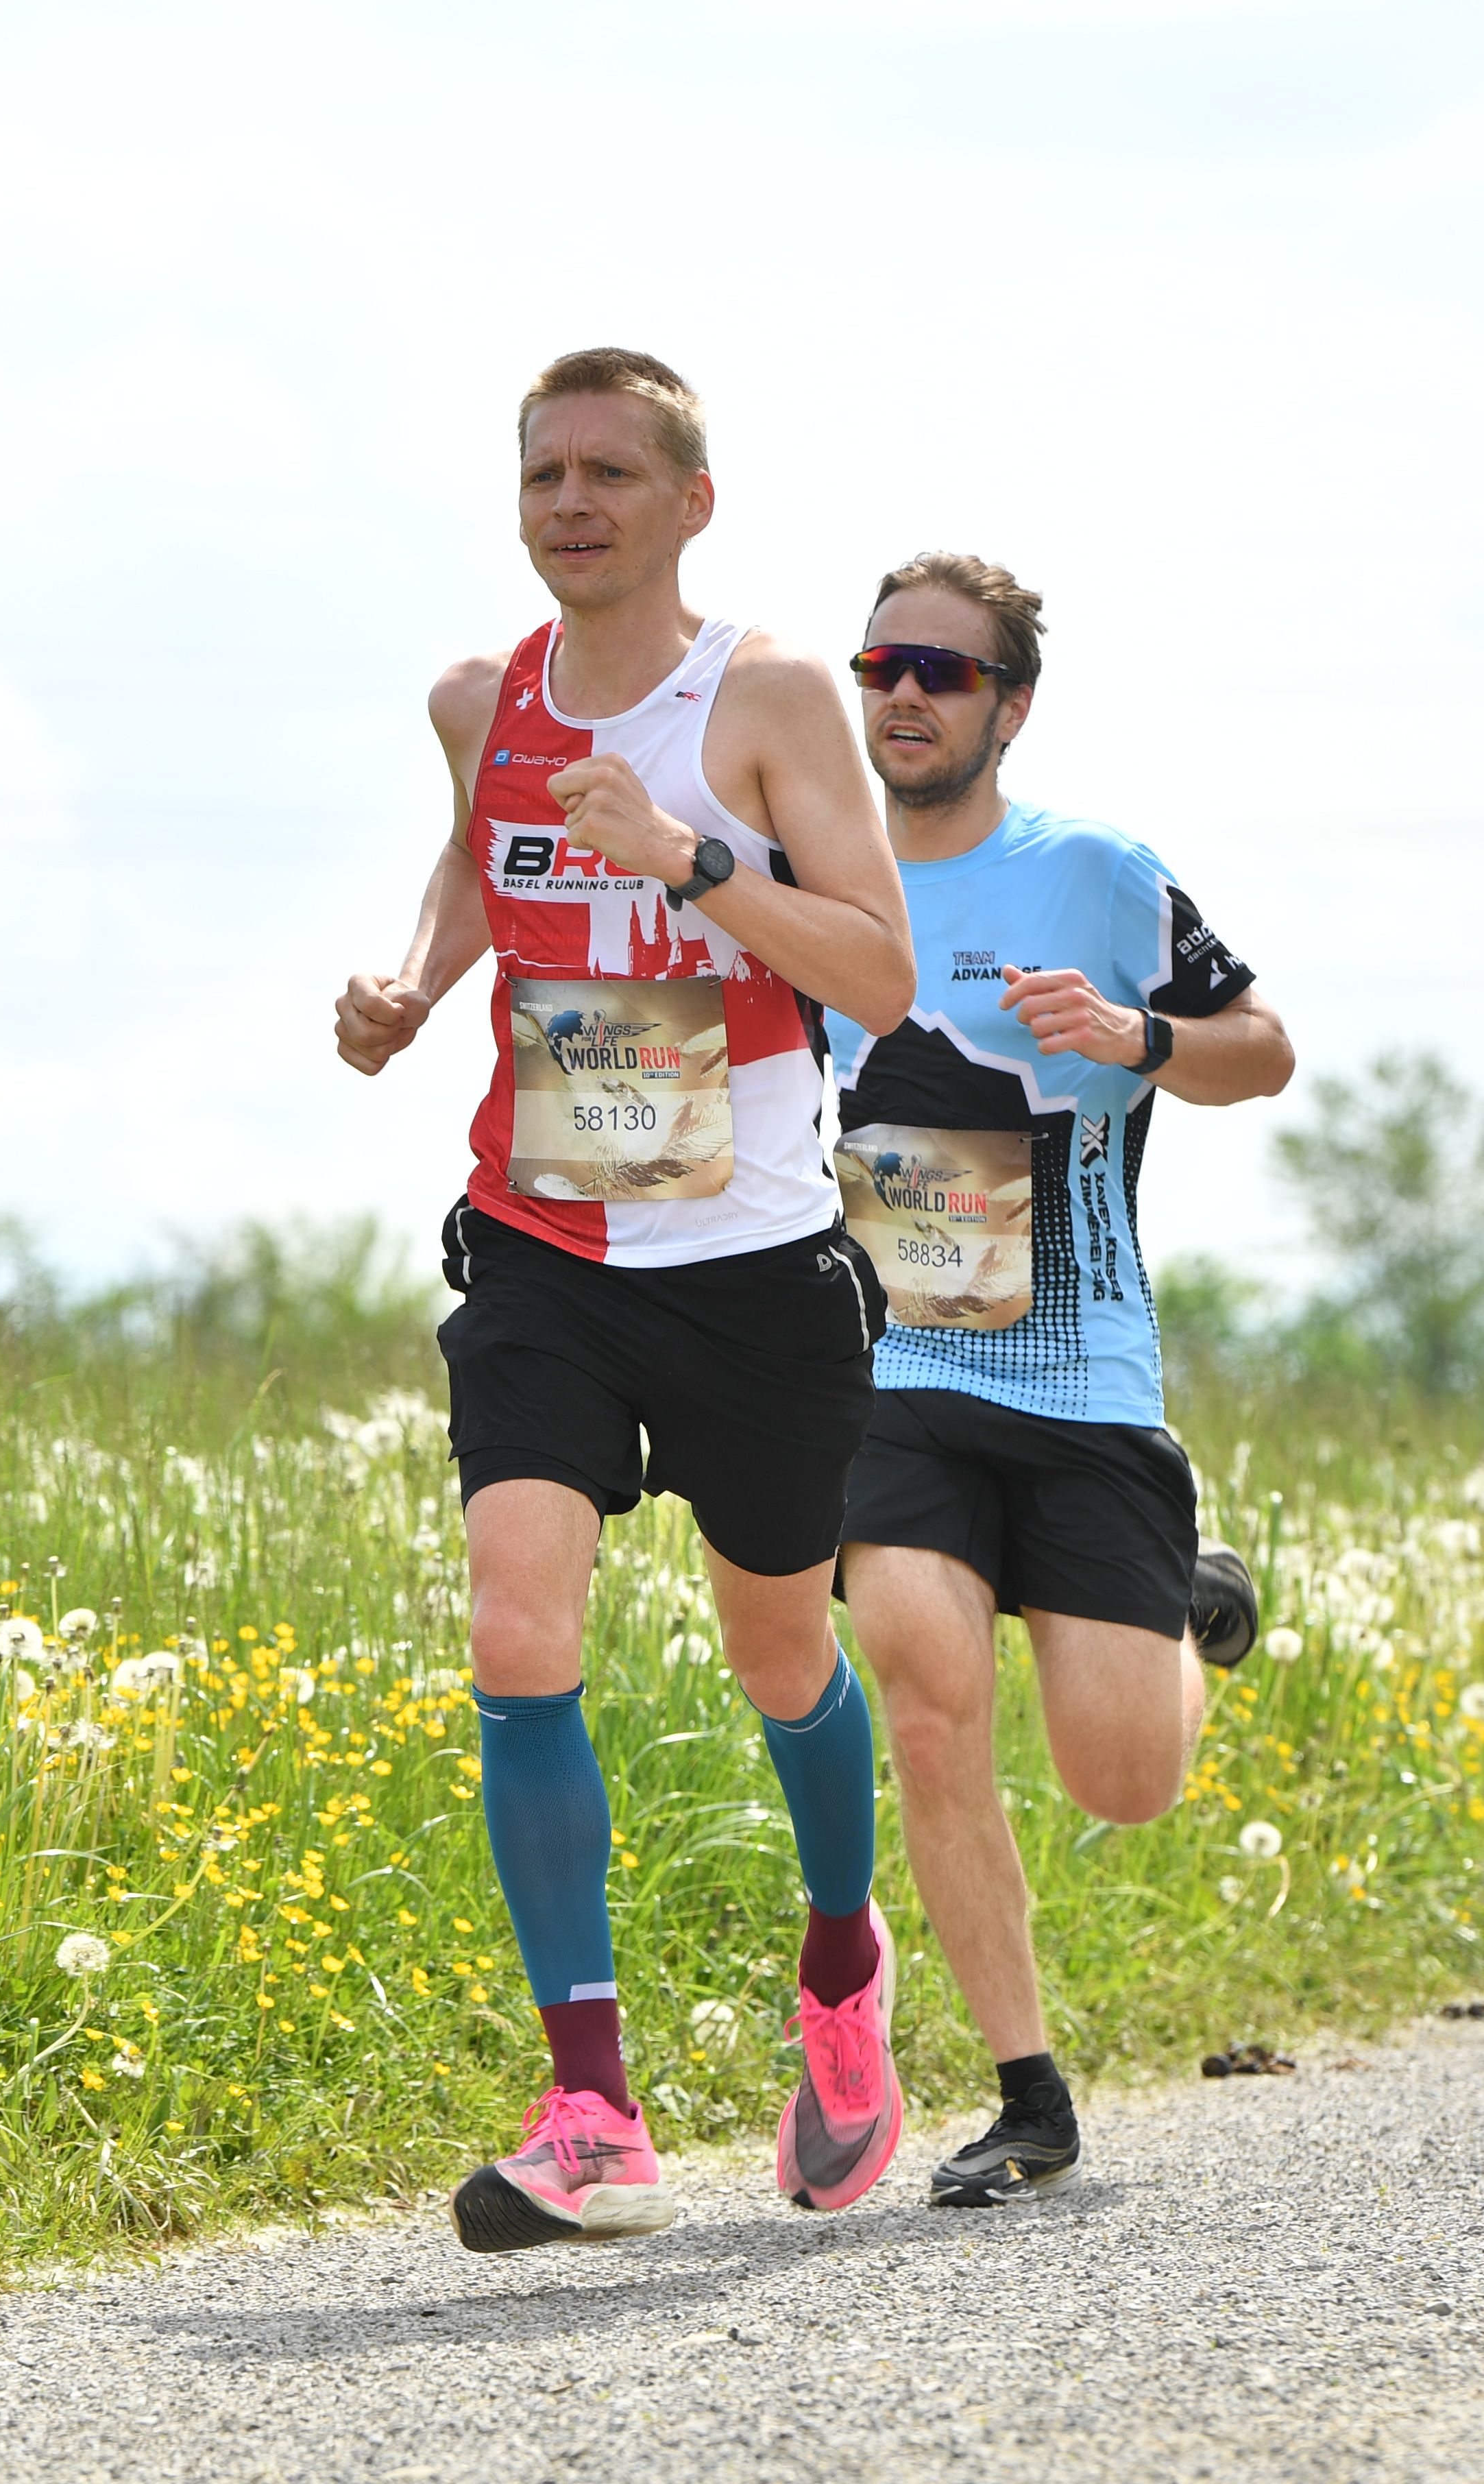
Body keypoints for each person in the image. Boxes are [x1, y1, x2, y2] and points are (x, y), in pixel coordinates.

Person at [334, 348, 919, 2252]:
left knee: (779, 1653)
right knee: (518, 1627)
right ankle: (591, 2106)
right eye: (544, 474)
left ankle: (842, 1963)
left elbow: (880, 973)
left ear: (692, 502)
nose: (571, 503)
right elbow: (476, 863)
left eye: (609, 472)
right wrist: (413, 982)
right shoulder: (479, 699)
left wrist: (692, 859)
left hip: (749, 1262)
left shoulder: (767, 699)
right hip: (545, 1243)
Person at [820, 551, 1294, 2207]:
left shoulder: (1095, 871)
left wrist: (1132, 1036)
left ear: (1010, 707)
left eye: (943, 672)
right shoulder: (818, 886)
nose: (904, 693)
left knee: (1123, 1778)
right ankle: (1028, 2093)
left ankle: (1190, 1605)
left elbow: (1267, 1049)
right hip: (893, 1367)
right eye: (881, 665)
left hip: (1082, 1373)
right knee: (925, 1690)